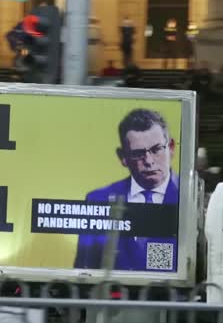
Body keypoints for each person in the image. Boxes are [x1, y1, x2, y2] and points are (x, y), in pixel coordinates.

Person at [74, 109, 179, 270]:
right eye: (138, 154)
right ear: (123, 157)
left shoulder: (187, 199)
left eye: (156, 149)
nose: (149, 161)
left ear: (170, 147)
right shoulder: (98, 199)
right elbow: (84, 268)